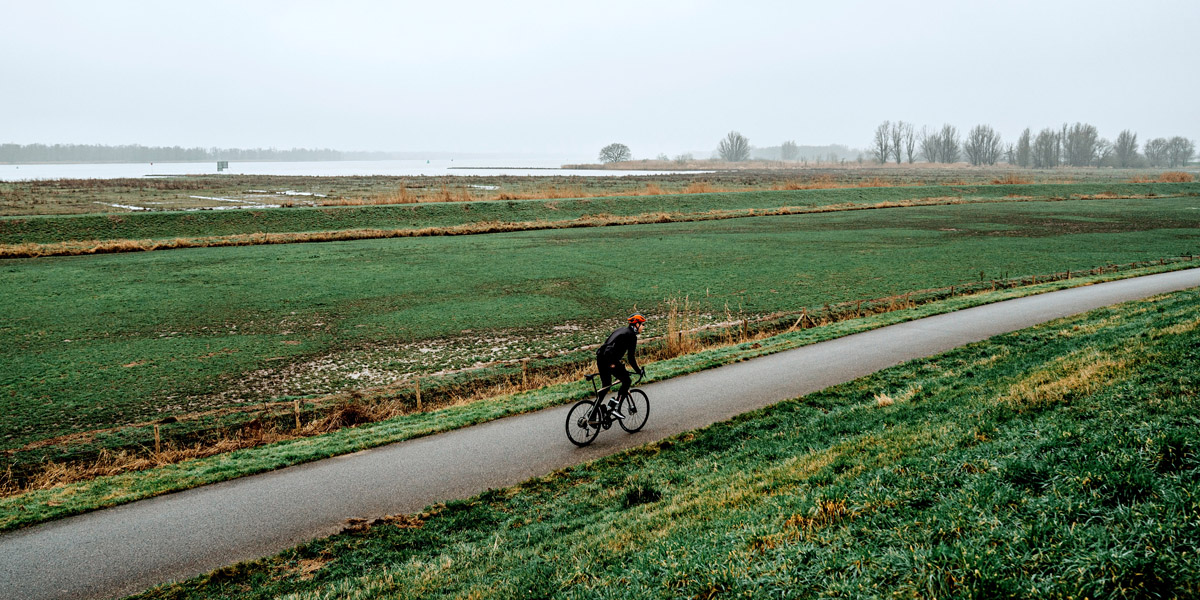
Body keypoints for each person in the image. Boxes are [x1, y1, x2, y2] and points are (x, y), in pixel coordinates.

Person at [596, 313, 646, 420]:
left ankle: (594, 413)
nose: (643, 327)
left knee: (606, 385)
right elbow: (631, 358)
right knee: (627, 381)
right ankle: (616, 408)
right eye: (642, 324)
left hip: (601, 358)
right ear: (636, 325)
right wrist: (638, 371)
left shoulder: (621, 330)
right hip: (609, 360)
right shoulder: (632, 336)